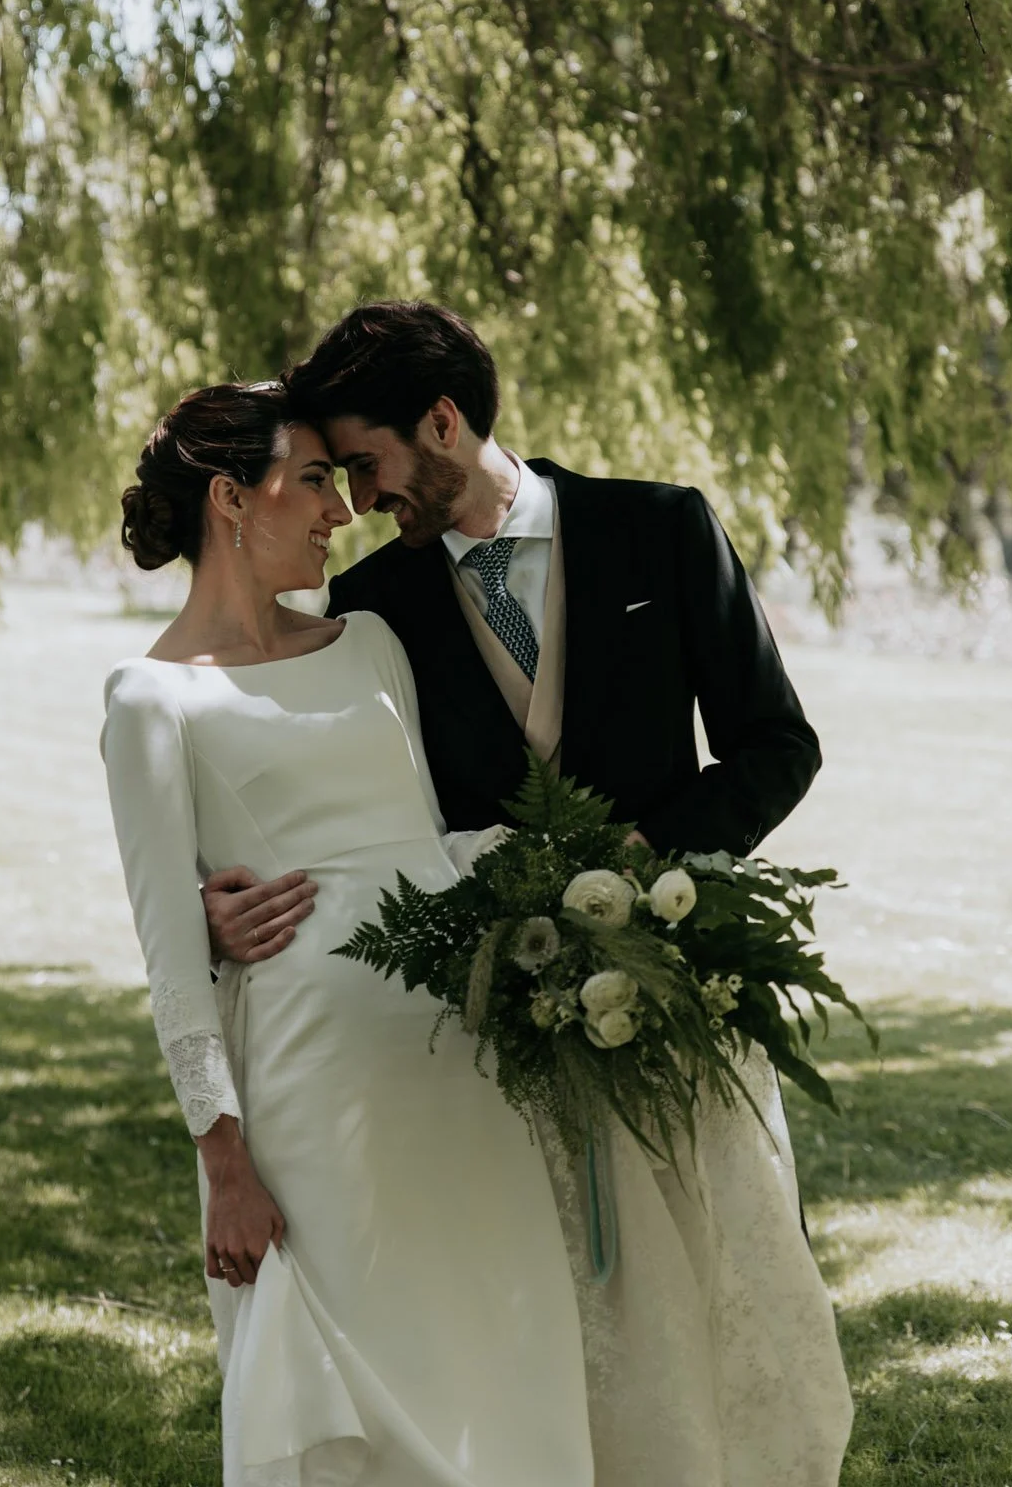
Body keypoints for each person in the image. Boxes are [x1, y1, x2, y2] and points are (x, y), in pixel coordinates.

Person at [202, 304, 854, 1485]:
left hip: (669, 995)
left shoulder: (663, 527)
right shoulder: (376, 613)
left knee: (705, 1292)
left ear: (444, 421)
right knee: (540, 1320)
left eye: (369, 462)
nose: (357, 499)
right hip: (498, 1030)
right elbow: (329, 804)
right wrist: (219, 901)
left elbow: (778, 745)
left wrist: (652, 858)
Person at [101, 382, 595, 1487]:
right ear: (233, 498)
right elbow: (166, 951)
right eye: (315, 480)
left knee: (494, 1340)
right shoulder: (150, 698)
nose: (342, 509)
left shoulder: (370, 641)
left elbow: (422, 841)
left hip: (459, 1058)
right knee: (353, 1384)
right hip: (306, 1087)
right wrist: (222, 1159)